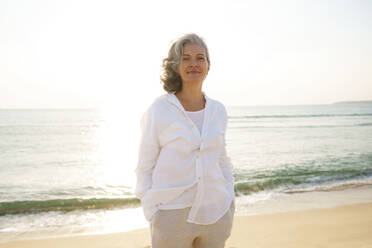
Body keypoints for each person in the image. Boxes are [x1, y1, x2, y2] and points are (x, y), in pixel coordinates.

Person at [134, 33, 235, 248]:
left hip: (216, 213)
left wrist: (229, 197)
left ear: (208, 65)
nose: (194, 64)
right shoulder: (159, 110)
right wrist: (152, 209)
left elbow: (222, 159)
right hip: (171, 215)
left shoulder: (218, 110)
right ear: (175, 66)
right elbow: (145, 165)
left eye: (200, 58)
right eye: (186, 58)